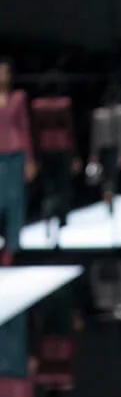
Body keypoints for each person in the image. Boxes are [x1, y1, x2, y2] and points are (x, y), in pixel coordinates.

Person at [30, 70, 82, 242]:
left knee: (49, 184)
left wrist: (35, 156)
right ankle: (61, 216)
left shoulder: (37, 105)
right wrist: (75, 154)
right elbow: (70, 129)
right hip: (62, 146)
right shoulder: (64, 103)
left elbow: (35, 132)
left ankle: (48, 211)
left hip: (44, 147)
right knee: (62, 183)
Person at [0, 57, 37, 266]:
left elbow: (24, 127)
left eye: (5, 72)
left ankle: (11, 247)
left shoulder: (18, 97)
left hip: (15, 154)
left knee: (15, 202)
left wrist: (30, 159)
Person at [88, 82, 121, 214]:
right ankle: (109, 195)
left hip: (103, 148)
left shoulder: (98, 114)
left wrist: (93, 154)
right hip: (112, 148)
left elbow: (95, 136)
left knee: (107, 175)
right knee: (110, 175)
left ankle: (108, 195)